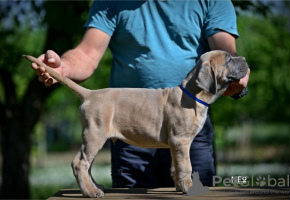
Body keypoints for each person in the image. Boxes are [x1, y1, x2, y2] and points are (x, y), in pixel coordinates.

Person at [31, 0, 250, 188]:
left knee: (195, 193)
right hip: (129, 124)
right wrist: (63, 68)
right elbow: (87, 54)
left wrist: (238, 76)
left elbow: (226, 55)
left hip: (191, 121)